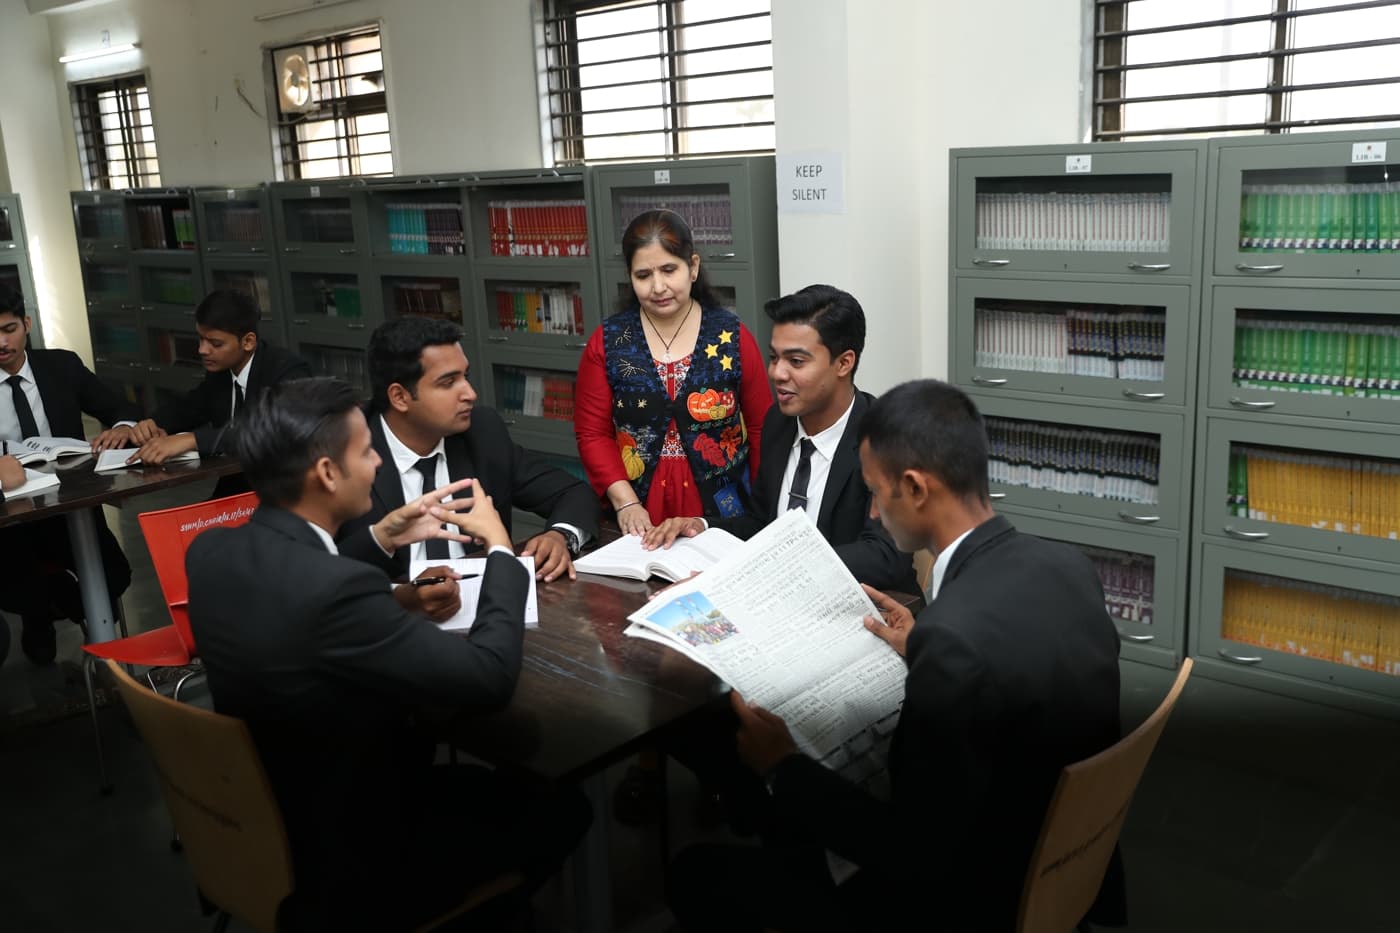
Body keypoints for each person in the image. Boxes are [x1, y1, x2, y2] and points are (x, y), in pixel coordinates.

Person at [667, 380, 1125, 933]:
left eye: (876, 494)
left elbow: (913, 853)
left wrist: (781, 764)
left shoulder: (954, 640)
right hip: (1058, 853)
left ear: (914, 488)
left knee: (698, 872)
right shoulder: (1068, 566)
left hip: (972, 896)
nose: (877, 515)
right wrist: (922, 641)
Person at [186, 377, 590, 931]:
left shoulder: (211, 552)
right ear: (327, 473)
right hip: (354, 857)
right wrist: (499, 549)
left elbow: (310, 605)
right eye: (366, 450)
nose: (379, 462)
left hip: (268, 814)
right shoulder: (333, 591)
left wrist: (380, 536)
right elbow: (489, 676)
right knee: (562, 807)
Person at [646, 284, 917, 594]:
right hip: (781, 603)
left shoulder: (888, 438)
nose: (777, 373)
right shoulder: (779, 422)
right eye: (774, 358)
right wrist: (702, 526)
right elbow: (764, 525)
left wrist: (774, 568)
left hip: (869, 609)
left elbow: (885, 556)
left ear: (844, 363)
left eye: (796, 362)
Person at [337, 317, 597, 597]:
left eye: (466, 376)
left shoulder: (482, 432)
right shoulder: (345, 454)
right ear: (400, 397)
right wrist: (383, 542)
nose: (470, 394)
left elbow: (573, 492)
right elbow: (319, 568)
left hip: (488, 611)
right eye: (448, 383)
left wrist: (560, 536)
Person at [574, 208, 772, 536]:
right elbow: (592, 433)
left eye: (669, 269)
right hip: (638, 502)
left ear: (692, 267)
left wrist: (764, 508)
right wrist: (625, 503)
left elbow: (762, 426)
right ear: (629, 276)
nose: (658, 287)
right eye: (643, 275)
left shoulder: (731, 334)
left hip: (721, 505)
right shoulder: (608, 340)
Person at [0, 285, 139, 664]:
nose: (1, 342)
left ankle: (95, 633)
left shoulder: (61, 365)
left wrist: (124, 428)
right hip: (12, 513)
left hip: (70, 502)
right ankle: (40, 615)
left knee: (109, 573)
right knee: (22, 583)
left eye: (9, 329)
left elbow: (121, 410)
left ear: (26, 324)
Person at [129, 289, 310, 496]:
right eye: (201, 339)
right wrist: (150, 425)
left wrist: (192, 440)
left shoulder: (287, 371)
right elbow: (189, 407)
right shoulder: (221, 373)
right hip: (237, 486)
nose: (202, 350)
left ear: (248, 342)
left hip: (285, 489)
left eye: (215, 343)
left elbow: (270, 431)